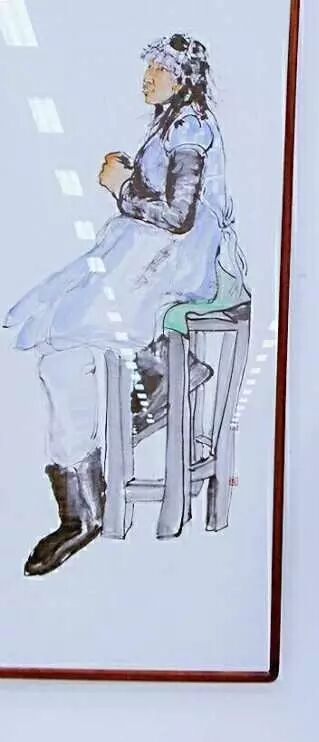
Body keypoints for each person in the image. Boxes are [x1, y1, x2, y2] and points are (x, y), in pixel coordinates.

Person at [3, 33, 247, 577]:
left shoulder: (190, 128)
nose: (148, 78)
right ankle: (83, 504)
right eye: (149, 69)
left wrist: (121, 188)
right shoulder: (170, 124)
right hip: (144, 250)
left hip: (173, 259)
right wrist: (132, 177)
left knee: (70, 333)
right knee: (58, 352)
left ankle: (85, 507)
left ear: (182, 79)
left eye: (159, 70)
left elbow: (179, 215)